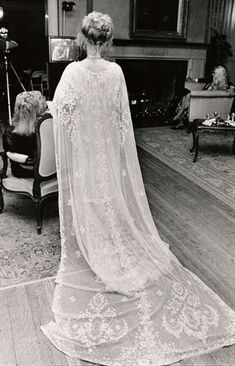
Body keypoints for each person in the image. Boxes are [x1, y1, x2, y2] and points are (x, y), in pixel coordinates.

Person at [41, 12, 235, 365]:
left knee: (89, 198)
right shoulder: (115, 72)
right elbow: (121, 119)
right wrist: (115, 153)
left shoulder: (71, 72)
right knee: (108, 197)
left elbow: (64, 114)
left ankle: (94, 244)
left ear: (84, 40)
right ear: (108, 40)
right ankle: (111, 239)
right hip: (106, 149)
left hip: (85, 147)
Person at [2, 90, 48, 178]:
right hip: (47, 170)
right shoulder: (45, 127)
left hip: (23, 171)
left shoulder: (9, 134)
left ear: (18, 109)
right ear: (37, 109)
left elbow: (8, 153)